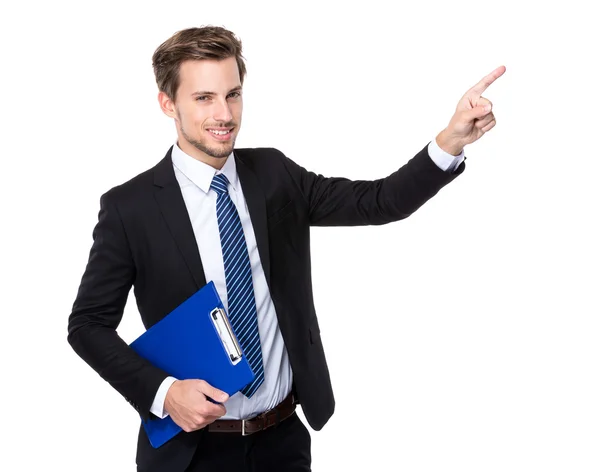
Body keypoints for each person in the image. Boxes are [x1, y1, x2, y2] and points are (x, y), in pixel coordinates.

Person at [67, 25, 505, 472]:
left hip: (281, 443)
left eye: (233, 94)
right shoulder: (130, 207)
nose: (225, 114)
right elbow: (87, 325)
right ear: (168, 103)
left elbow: (379, 200)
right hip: (190, 454)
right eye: (204, 98)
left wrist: (450, 140)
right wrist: (163, 392)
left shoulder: (274, 174)